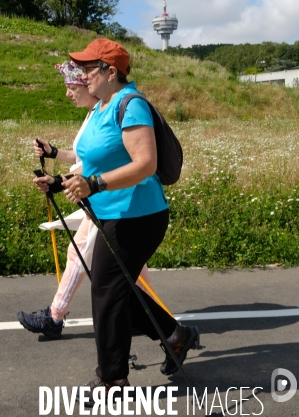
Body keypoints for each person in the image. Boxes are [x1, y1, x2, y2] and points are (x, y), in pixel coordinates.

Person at [62, 39, 199, 404]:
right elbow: (94, 160)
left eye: (89, 67)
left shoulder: (130, 104)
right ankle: (176, 336)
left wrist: (94, 185)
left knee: (106, 294)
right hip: (112, 213)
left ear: (110, 71)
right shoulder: (102, 106)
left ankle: (113, 381)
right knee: (115, 290)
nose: (82, 74)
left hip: (139, 216)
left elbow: (145, 164)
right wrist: (63, 181)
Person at [17, 60, 154, 339]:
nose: (68, 93)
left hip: (111, 198)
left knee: (82, 253)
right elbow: (84, 158)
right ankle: (161, 322)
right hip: (106, 198)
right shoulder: (95, 112)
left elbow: (102, 164)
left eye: (71, 86)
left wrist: (61, 182)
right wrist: (54, 153)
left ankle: (55, 316)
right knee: (131, 266)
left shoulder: (107, 111)